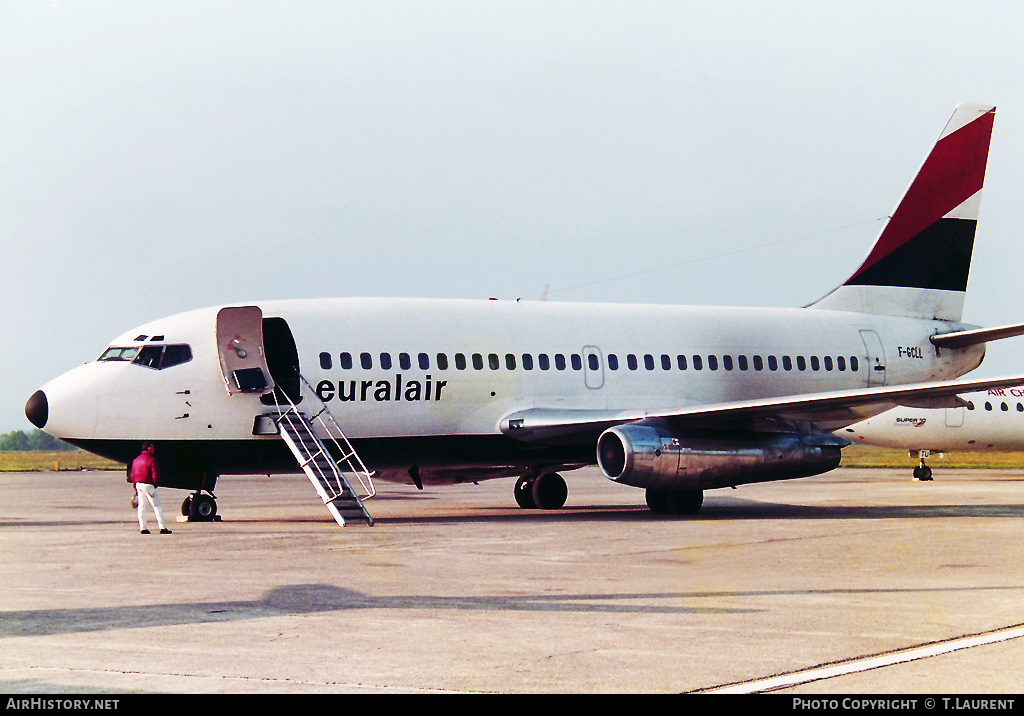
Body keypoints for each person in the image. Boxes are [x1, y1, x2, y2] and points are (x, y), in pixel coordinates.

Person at [131, 442, 171, 534]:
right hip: (148, 485)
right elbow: (155, 475)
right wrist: (155, 485)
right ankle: (162, 528)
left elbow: (133, 475)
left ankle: (143, 528)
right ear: (149, 449)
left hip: (139, 484)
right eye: (153, 448)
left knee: (142, 507)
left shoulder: (136, 460)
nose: (154, 450)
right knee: (156, 506)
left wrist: (135, 487)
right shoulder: (152, 460)